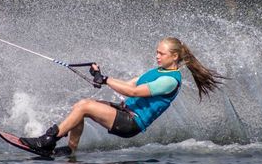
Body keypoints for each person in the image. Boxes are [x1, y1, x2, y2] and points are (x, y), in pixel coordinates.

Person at [20, 37, 224, 156]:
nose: (157, 56)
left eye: (161, 53)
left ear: (174, 56)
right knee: (79, 108)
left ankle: (47, 141)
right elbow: (128, 85)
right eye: (157, 52)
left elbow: (134, 92)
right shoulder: (156, 71)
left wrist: (105, 78)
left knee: (84, 106)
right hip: (124, 111)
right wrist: (99, 75)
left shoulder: (171, 79)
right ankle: (70, 150)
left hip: (132, 123)